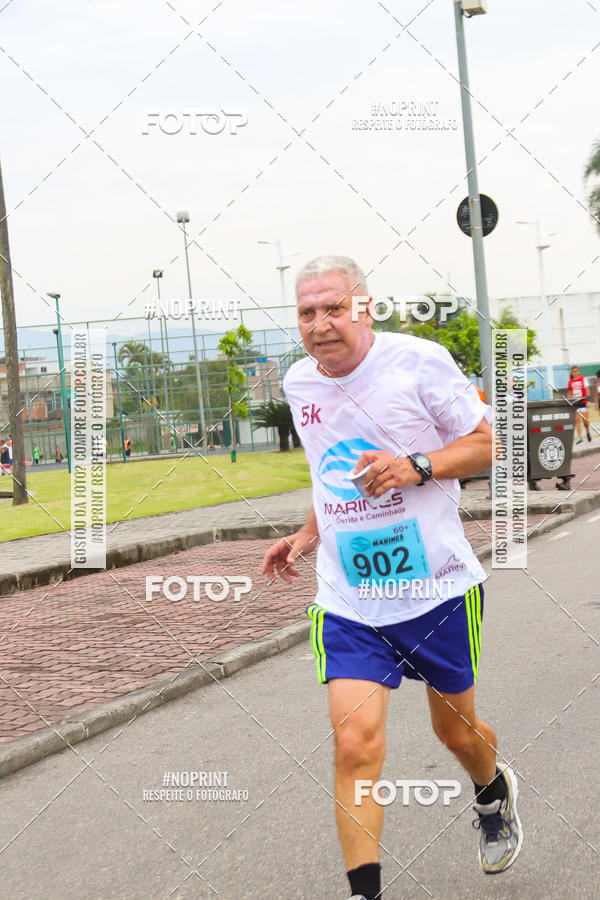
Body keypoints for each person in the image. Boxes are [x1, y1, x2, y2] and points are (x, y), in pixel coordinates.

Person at [262, 256, 522, 900]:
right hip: (349, 599)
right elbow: (329, 476)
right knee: (355, 745)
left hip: (437, 591)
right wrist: (305, 536)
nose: (320, 324)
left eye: (334, 308)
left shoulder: (418, 361)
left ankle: (492, 790)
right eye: (306, 312)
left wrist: (416, 465)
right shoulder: (300, 382)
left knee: (455, 732)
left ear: (365, 309)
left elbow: (491, 442)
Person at [567, 365, 591, 443]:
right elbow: (570, 393)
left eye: (576, 371)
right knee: (577, 421)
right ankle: (580, 437)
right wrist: (569, 402)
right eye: (573, 371)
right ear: (571, 372)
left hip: (583, 402)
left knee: (585, 421)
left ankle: (587, 431)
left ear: (579, 371)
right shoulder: (570, 381)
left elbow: (587, 390)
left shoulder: (583, 379)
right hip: (576, 403)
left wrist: (588, 401)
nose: (575, 373)